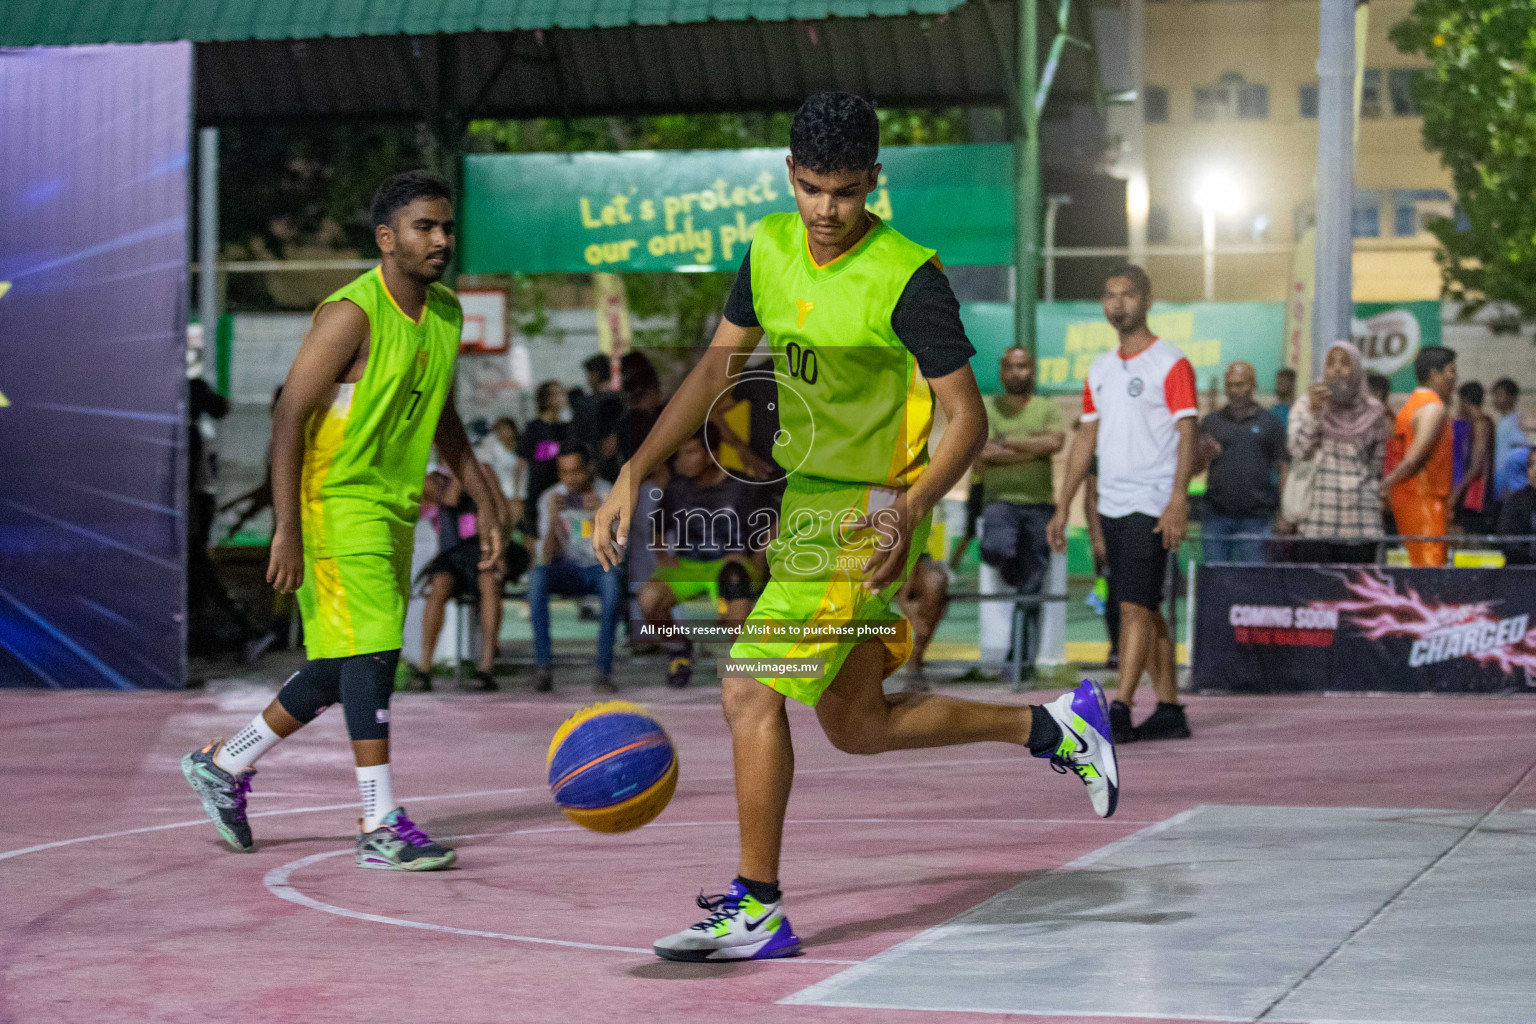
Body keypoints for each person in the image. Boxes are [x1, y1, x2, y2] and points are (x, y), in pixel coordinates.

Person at [593, 92, 1119, 963]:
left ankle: (757, 910)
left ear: (874, 180)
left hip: (867, 515)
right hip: (808, 509)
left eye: (844, 191)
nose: (827, 211)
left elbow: (968, 422)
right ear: (789, 175)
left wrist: (909, 511)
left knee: (748, 690)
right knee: (857, 726)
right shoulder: (766, 248)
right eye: (811, 189)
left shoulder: (909, 276)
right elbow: (714, 369)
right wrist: (635, 467)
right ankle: (1057, 727)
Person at [181, 170, 500, 869]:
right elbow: (289, 413)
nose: (441, 238)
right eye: (425, 227)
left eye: (446, 226)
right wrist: (288, 527)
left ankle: (225, 764)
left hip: (390, 506)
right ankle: (379, 820)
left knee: (338, 666)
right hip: (334, 502)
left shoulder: (444, 313)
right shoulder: (351, 313)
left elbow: (438, 410)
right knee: (376, 653)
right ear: (387, 239)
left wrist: (480, 488)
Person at [1049, 265, 1197, 746]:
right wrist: (1063, 505)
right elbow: (1085, 439)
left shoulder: (1171, 363)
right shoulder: (1100, 369)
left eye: (1128, 296)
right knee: (1147, 611)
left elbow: (1188, 434)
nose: (1118, 305)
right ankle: (1170, 709)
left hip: (1150, 503)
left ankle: (1121, 707)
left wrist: (1178, 499)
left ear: (1147, 300)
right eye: (1110, 296)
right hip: (1111, 503)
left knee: (1132, 608)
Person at [638, 424, 768, 688]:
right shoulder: (676, 488)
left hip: (733, 564)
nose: (682, 461)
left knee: (735, 579)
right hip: (689, 566)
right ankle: (679, 652)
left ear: (712, 454)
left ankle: (741, 668)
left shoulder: (743, 486)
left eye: (690, 453)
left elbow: (772, 526)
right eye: (680, 454)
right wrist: (663, 557)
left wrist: (758, 562)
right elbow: (658, 527)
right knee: (648, 599)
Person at [977, 346, 1065, 678]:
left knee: (1031, 588)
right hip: (1000, 503)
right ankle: (1010, 570)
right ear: (1002, 371)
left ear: (1033, 370)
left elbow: (1056, 443)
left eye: (1024, 366)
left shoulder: (1047, 407)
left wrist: (1008, 443)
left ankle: (1019, 665)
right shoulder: (987, 407)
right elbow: (981, 449)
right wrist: (1031, 448)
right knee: (996, 549)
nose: (1018, 372)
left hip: (1040, 505)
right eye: (1012, 367)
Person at [410, 465, 521, 692]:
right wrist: (461, 476)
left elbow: (503, 514)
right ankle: (424, 667)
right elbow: (449, 500)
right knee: (439, 584)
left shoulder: (485, 472)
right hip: (452, 556)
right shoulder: (431, 480)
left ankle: (486, 666)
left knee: (489, 581)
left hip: (482, 550)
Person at [1285, 341, 1390, 564]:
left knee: (1359, 595)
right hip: (1319, 519)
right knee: (1317, 594)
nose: (1337, 370)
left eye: (1345, 364)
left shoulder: (1374, 411)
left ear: (1357, 369)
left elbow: (1377, 466)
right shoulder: (1306, 405)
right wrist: (1315, 413)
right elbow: (1298, 450)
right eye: (1331, 364)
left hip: (1361, 520)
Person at [529, 442, 620, 694]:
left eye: (576, 471)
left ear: (590, 468)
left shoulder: (609, 495)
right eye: (564, 472)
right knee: (536, 579)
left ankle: (603, 671)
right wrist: (552, 521)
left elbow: (616, 555)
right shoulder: (551, 497)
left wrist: (602, 519)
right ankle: (543, 668)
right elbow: (545, 558)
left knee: (612, 589)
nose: (570, 479)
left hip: (599, 566)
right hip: (565, 568)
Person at [1197, 361, 1288, 564]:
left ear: (1253, 385)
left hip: (1256, 520)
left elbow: (1283, 467)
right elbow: (1196, 468)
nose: (1234, 391)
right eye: (1230, 385)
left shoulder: (1270, 423)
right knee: (1215, 585)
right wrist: (1203, 454)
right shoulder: (1211, 423)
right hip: (1216, 517)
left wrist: (1284, 511)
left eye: (1240, 385)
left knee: (1253, 585)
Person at [1383, 346, 1457, 567]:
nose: (1455, 377)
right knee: (1430, 570)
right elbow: (1414, 458)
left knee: (1420, 565)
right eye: (1451, 371)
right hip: (1425, 499)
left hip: (1411, 497)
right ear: (1435, 374)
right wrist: (1385, 484)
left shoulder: (1410, 406)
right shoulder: (1433, 408)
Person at [518, 380, 570, 532]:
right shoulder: (533, 428)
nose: (561, 398)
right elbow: (522, 462)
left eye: (562, 393)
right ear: (545, 398)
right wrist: (519, 496)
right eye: (556, 394)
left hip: (562, 493)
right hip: (537, 492)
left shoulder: (568, 428)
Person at [572, 353, 626, 481]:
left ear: (595, 375)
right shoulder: (624, 399)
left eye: (589, 376)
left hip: (600, 469)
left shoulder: (587, 405)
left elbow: (577, 438)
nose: (588, 380)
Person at [1451, 381, 1494, 535]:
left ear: (1464, 400)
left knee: (1471, 539)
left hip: (1475, 494)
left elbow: (1477, 464)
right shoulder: (1476, 423)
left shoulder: (1481, 423)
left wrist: (1456, 492)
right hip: (1470, 490)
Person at [476, 415, 527, 529]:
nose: (504, 432)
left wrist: (517, 496)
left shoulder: (520, 451)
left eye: (506, 428)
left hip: (517, 498)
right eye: (500, 429)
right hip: (500, 497)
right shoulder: (494, 449)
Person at [1495, 449, 1536, 565]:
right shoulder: (1516, 500)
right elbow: (1505, 538)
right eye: (1531, 465)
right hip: (1522, 571)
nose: (1534, 470)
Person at [1491, 379, 1525, 500]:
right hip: (1501, 487)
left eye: (1499, 395)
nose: (1495, 399)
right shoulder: (1502, 422)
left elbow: (1518, 454)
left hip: (1511, 489)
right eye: (1494, 394)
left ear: (1512, 398)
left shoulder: (1515, 422)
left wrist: (1510, 484)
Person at [1272, 367, 1297, 435]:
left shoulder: (1297, 409)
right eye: (1279, 382)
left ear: (1292, 384)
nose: (1280, 385)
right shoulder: (1273, 409)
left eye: (1285, 381)